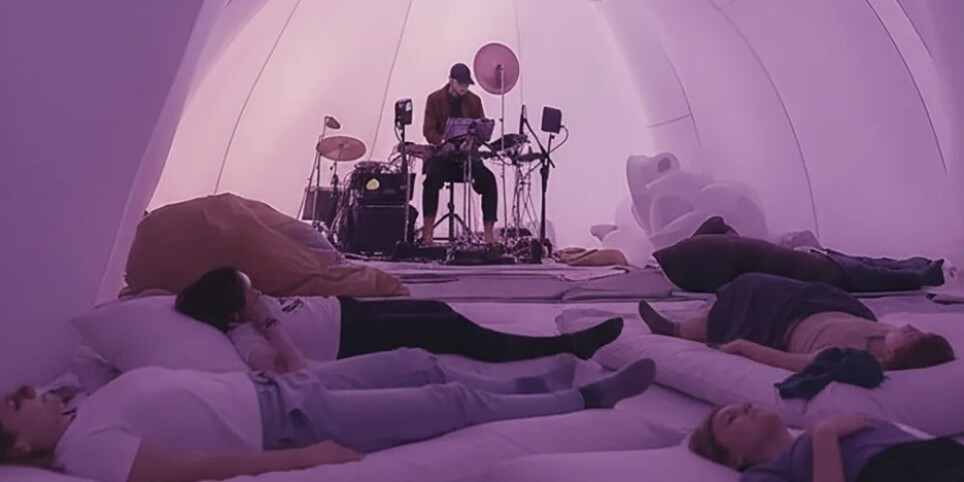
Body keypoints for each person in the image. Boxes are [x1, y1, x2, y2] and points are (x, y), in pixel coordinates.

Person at [0, 351, 657, 482]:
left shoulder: (81, 403)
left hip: (281, 387)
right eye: (11, 405)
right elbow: (192, 467)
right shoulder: (85, 450)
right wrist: (299, 459)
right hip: (289, 424)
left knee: (417, 361)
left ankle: (528, 382)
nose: (22, 391)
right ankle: (582, 400)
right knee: (446, 404)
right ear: (19, 449)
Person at [176, 267, 624, 373]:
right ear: (234, 312)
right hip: (351, 338)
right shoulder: (246, 339)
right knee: (452, 333)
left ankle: (556, 345)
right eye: (250, 292)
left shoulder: (248, 310)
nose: (259, 293)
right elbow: (292, 371)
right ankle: (565, 347)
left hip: (349, 311)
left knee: (440, 311)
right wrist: (267, 322)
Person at [637, 272, 954, 371]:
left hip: (785, 325)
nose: (909, 327)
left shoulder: (847, 360)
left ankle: (677, 330)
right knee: (768, 283)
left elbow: (789, 362)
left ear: (896, 355)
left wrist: (743, 347)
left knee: (749, 288)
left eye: (913, 335)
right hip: (825, 304)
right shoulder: (888, 332)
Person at [653, 216, 948, 293]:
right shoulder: (695, 250)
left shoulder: (695, 269)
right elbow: (717, 221)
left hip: (812, 269)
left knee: (872, 272)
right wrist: (733, 235)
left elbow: (730, 287)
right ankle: (923, 270)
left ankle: (923, 272)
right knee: (872, 268)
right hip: (809, 262)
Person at [689, 402, 964, 481]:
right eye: (731, 418)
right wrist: (825, 435)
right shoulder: (764, 474)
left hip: (939, 455)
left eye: (743, 405)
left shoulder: (806, 435)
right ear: (732, 458)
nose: (745, 407)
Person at [421, 62, 498, 244]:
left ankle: (489, 235)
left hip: (467, 157)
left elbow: (480, 128)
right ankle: (427, 233)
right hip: (443, 157)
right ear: (451, 81)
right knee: (431, 179)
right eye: (461, 83)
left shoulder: (474, 101)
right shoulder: (434, 99)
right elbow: (428, 130)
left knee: (489, 180)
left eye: (466, 84)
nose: (464, 87)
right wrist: (442, 142)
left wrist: (473, 141)